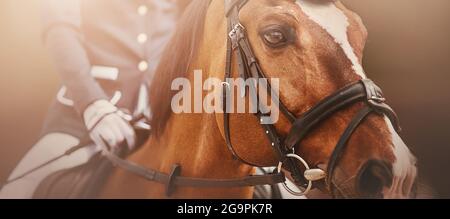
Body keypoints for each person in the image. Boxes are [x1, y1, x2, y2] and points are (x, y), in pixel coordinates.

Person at [0, 0, 188, 198]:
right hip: (83, 121)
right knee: (17, 190)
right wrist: (93, 104)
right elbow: (60, 30)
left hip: (157, 124)